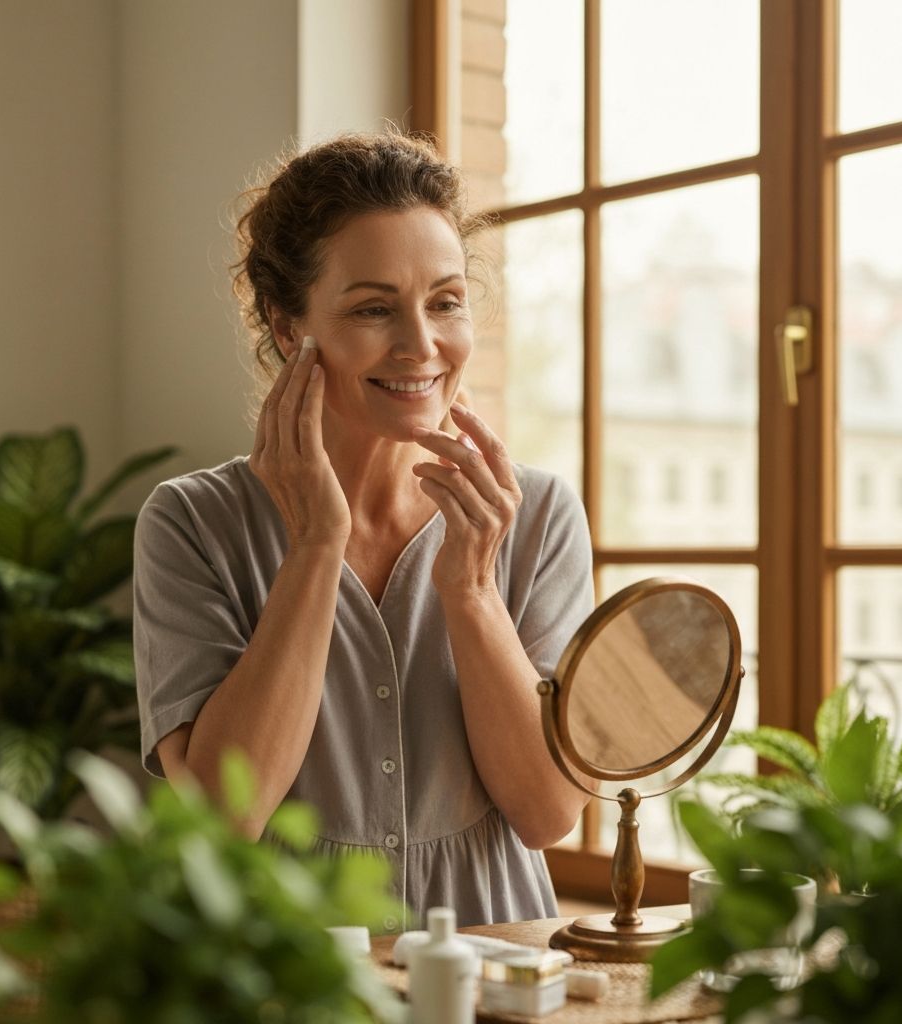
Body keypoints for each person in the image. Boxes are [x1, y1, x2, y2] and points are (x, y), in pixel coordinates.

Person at [133, 131, 594, 929]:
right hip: (288, 980)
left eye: (445, 300)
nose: (422, 346)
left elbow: (549, 813)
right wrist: (315, 548)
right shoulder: (192, 524)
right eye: (374, 308)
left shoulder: (538, 515)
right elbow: (220, 817)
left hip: (496, 973)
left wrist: (472, 589)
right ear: (288, 329)